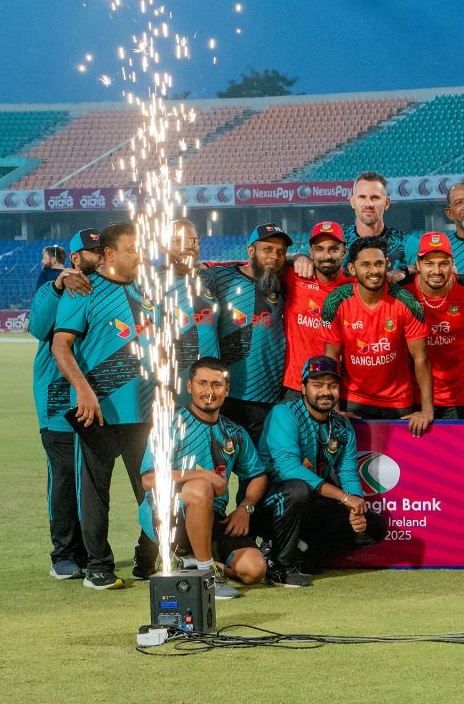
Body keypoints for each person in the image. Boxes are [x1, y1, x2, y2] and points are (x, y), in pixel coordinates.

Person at [50, 221, 159, 590]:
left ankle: (147, 558)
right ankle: (98, 566)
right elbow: (60, 346)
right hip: (96, 409)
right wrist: (82, 389)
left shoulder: (146, 290)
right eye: (132, 249)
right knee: (95, 493)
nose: (139, 255)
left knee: (154, 491)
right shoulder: (83, 290)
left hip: (144, 412)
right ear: (109, 254)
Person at [137, 357, 269, 599]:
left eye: (217, 385)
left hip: (212, 517)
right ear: (190, 387)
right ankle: (208, 575)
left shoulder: (234, 432)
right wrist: (200, 474)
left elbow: (258, 475)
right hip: (168, 515)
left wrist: (245, 508)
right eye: (202, 383)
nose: (209, 391)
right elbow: (149, 480)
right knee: (200, 487)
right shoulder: (170, 425)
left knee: (255, 569)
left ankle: (193, 564)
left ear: (227, 389)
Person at [253, 356, 388, 588]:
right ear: (303, 388)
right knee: (297, 488)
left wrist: (355, 506)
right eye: (318, 385)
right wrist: (344, 497)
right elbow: (289, 469)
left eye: (332, 386)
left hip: (311, 503)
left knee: (374, 526)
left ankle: (303, 551)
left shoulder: (342, 427)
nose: (326, 392)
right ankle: (280, 566)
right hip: (270, 503)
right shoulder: (284, 413)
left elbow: (347, 473)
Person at [29, 228, 100, 580]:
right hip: (58, 398)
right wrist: (58, 286)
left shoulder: (105, 289)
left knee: (89, 479)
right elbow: (38, 328)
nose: (99, 256)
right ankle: (64, 554)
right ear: (75, 258)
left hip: (96, 396)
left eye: (103, 250)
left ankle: (89, 551)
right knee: (63, 476)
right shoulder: (52, 289)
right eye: (91, 251)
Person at [322, 237, 433, 434]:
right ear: (352, 269)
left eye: (379, 263)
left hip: (398, 399)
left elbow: (421, 358)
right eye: (365, 264)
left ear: (387, 264)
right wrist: (335, 407)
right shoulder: (336, 301)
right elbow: (331, 358)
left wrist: (426, 410)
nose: (374, 271)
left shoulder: (406, 301)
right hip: (354, 398)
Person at [202, 223, 293, 440]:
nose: (274, 256)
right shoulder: (219, 278)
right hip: (226, 393)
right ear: (250, 251)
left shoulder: (285, 282)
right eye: (267, 250)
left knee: (260, 469)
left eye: (281, 252)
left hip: (267, 396)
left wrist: (298, 258)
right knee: (219, 467)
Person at [406, 231, 464, 418]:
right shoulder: (404, 293)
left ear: (452, 264)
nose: (436, 271)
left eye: (443, 263)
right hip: (418, 395)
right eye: (429, 263)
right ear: (417, 265)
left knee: (461, 447)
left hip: (462, 393)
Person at [281, 221, 348, 400]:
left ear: (344, 252)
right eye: (319, 249)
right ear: (311, 251)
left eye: (334, 249)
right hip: (296, 385)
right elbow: (264, 261)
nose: (326, 256)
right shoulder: (295, 276)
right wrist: (296, 256)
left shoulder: (355, 287)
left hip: (337, 386)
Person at [164, 219, 220, 405]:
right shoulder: (147, 281)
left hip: (210, 390)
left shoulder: (208, 278)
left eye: (193, 242)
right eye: (177, 241)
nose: (188, 247)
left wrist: (299, 258)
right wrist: (68, 275)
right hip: (173, 392)